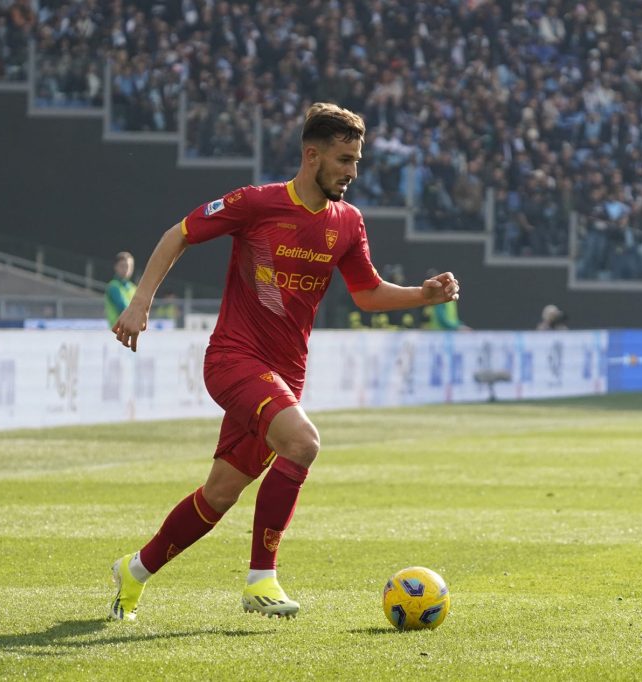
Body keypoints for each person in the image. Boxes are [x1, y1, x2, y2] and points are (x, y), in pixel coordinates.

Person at [108, 103, 460, 622]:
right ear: (311, 155)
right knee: (304, 443)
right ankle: (260, 580)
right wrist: (140, 302)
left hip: (284, 375)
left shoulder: (347, 222)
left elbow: (366, 292)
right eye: (344, 159)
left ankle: (134, 570)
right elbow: (178, 233)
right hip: (233, 359)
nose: (352, 172)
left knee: (220, 494)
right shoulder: (257, 203)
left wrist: (422, 296)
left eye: (357, 161)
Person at [105, 251, 137, 328]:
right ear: (116, 267)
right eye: (122, 266)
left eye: (129, 266)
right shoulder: (113, 286)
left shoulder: (134, 288)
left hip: (132, 329)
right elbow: (123, 308)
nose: (126, 269)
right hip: (117, 330)